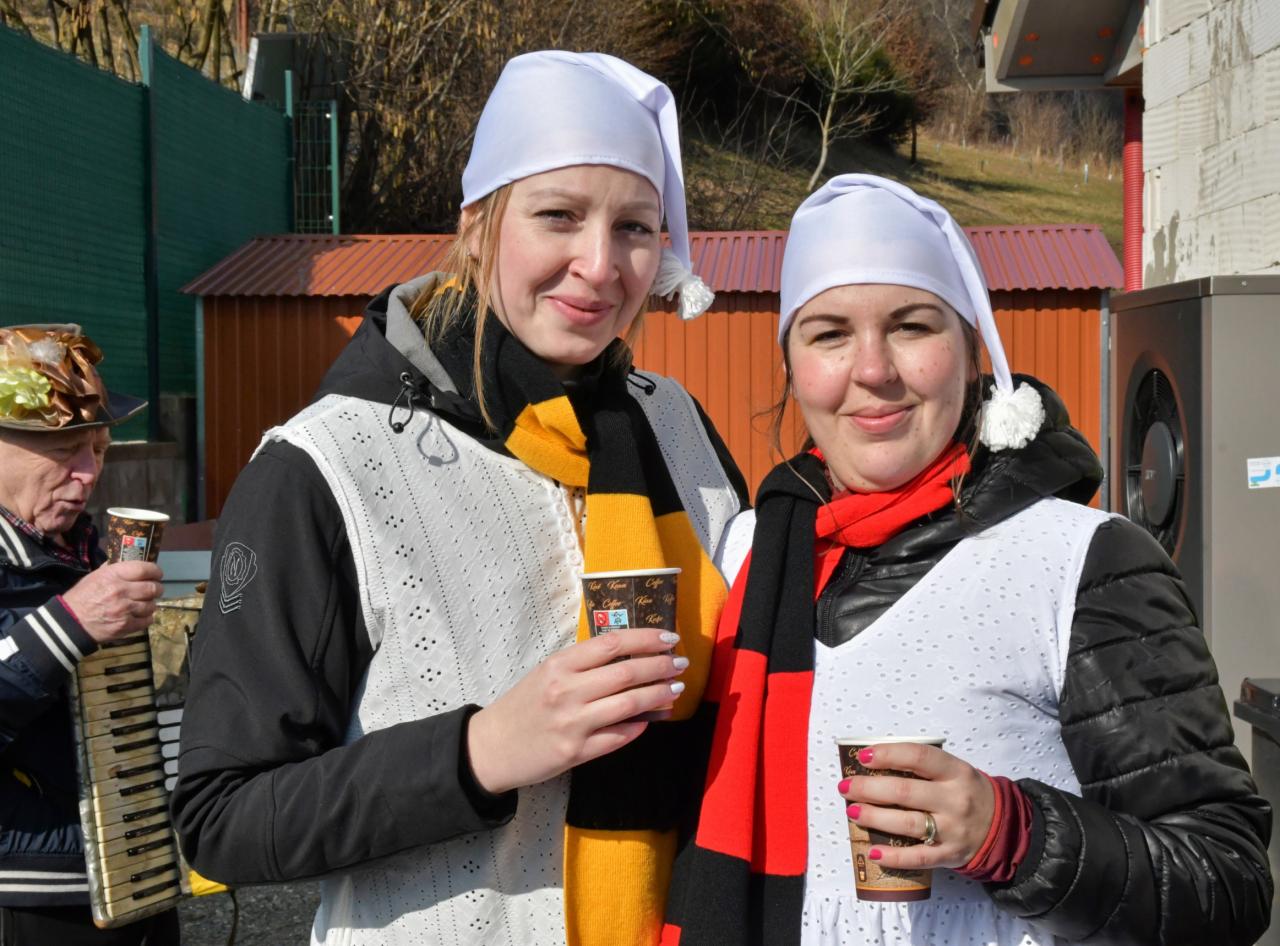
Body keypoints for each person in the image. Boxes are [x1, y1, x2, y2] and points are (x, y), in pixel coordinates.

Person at [171, 51, 749, 946]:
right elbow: (223, 816)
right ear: (477, 225)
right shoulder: (326, 464)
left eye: (636, 228)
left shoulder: (677, 430)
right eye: (558, 216)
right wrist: (479, 753)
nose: (600, 265)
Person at [661, 175, 1272, 946]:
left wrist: (1012, 834)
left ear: (971, 351)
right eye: (829, 334)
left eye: (912, 326)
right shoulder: (747, 553)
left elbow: (1228, 878)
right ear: (791, 365)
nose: (873, 369)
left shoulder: (1080, 561)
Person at [0, 325, 176, 945]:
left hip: (134, 873)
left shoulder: (83, 548)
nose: (88, 474)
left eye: (99, 449)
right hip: (26, 896)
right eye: (65, 450)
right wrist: (70, 623)